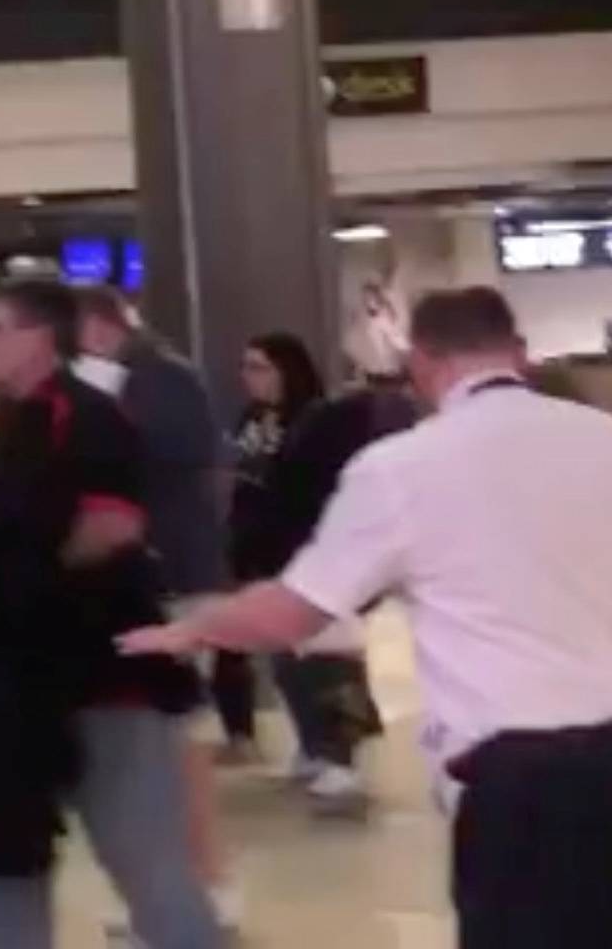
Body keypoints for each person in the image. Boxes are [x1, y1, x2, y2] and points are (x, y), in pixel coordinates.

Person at [123, 287, 612, 949]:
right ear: (519, 353)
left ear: (420, 362)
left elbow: (295, 613)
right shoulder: (600, 438)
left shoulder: (402, 468)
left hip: (517, 776)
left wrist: (192, 626)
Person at [0, 279, 220, 949]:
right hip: (28, 678)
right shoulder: (15, 425)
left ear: (37, 338)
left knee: (144, 857)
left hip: (103, 673)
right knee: (8, 864)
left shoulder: (85, 416)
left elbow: (110, 525)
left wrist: (22, 576)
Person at [73, 285, 235, 924]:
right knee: (167, 742)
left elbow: (169, 458)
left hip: (175, 576)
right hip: (164, 574)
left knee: (182, 738)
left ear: (101, 328)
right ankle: (180, 891)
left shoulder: (157, 379)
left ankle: (204, 885)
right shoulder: (149, 377)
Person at [245, 382, 412, 814]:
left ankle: (339, 755)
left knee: (329, 660)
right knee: (297, 658)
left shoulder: (343, 437)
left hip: (318, 555)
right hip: (296, 548)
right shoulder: (290, 427)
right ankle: (318, 747)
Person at [218, 332, 327, 761]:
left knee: (314, 657)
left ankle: (330, 745)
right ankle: (305, 739)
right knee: (279, 657)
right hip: (256, 547)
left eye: (259, 367)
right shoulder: (251, 420)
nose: (248, 378)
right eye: (245, 368)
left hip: (300, 548)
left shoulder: (313, 419)